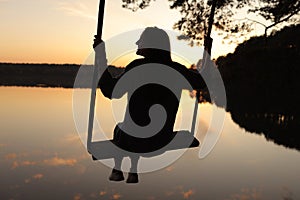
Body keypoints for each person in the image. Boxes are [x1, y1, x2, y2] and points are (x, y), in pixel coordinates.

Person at [95, 27, 206, 183]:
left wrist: (101, 57)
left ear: (150, 44)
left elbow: (111, 91)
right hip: (161, 142)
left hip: (135, 141)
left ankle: (118, 169)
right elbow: (202, 81)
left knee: (122, 128)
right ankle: (132, 171)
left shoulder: (138, 67)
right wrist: (207, 54)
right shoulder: (177, 70)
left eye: (141, 39)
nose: (137, 42)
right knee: (135, 129)